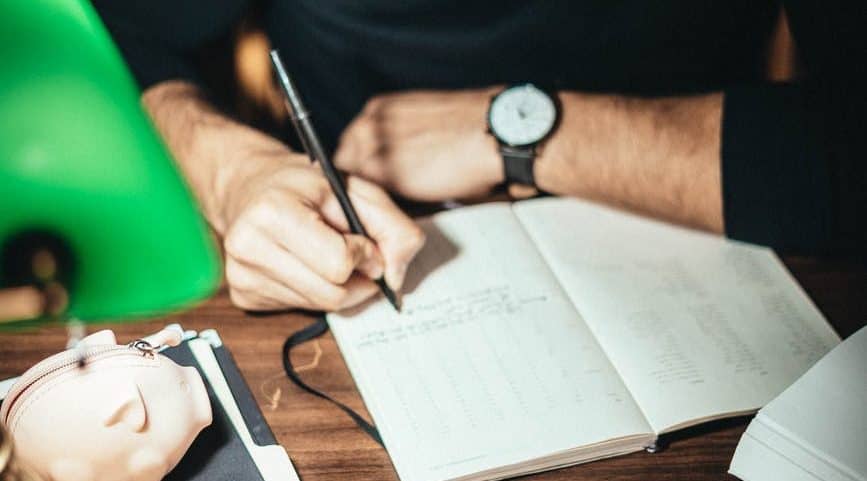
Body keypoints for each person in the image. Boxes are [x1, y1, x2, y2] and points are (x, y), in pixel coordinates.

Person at [92, 0, 865, 312]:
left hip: (701, 224)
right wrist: (232, 171)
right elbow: (124, 32)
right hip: (351, 226)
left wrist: (522, 132)